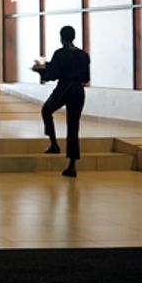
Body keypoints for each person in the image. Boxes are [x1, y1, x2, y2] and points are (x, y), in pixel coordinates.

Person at [32, 25, 91, 177]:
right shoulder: (84, 55)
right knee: (73, 126)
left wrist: (41, 72)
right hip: (79, 90)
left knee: (46, 110)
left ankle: (54, 144)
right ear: (74, 37)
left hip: (65, 88)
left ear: (61, 38)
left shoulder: (59, 54)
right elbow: (86, 77)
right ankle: (72, 165)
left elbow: (52, 75)